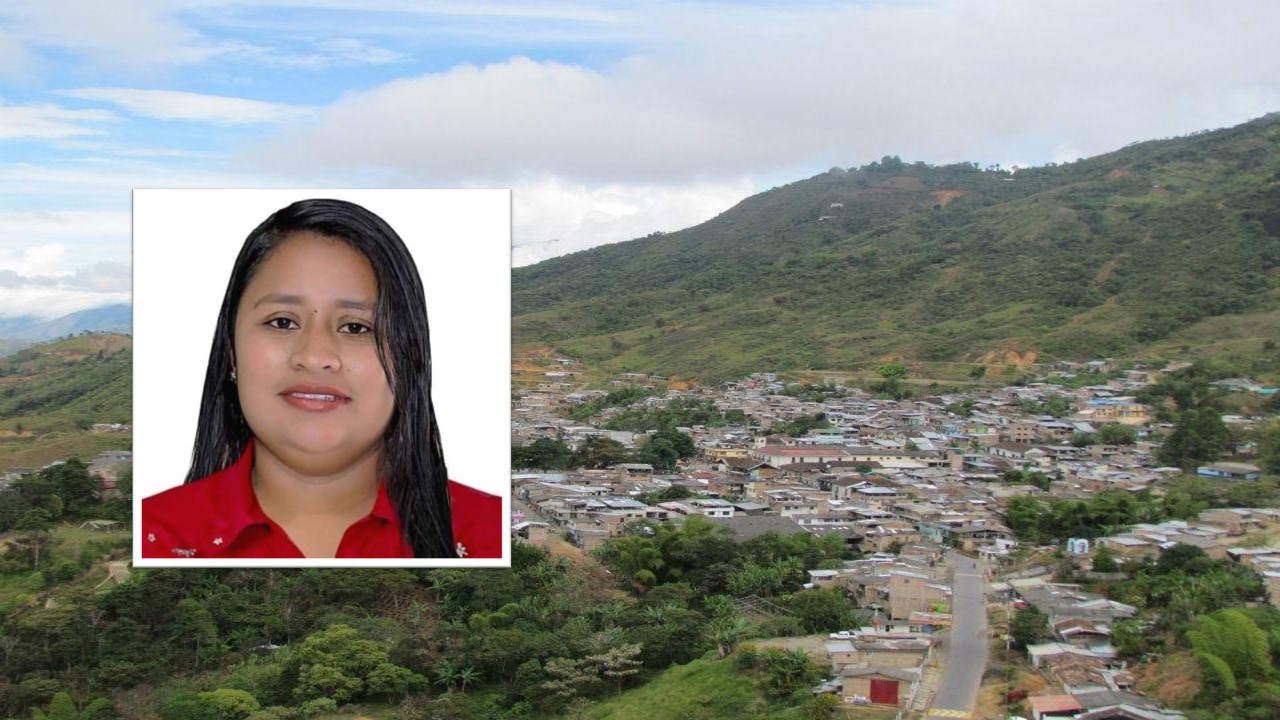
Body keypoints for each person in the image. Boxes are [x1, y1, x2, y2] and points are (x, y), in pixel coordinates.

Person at [141, 198, 501, 559]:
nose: (315, 357)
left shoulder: (493, 537)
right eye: (282, 322)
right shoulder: (151, 538)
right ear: (231, 349)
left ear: (408, 359)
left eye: (356, 327)